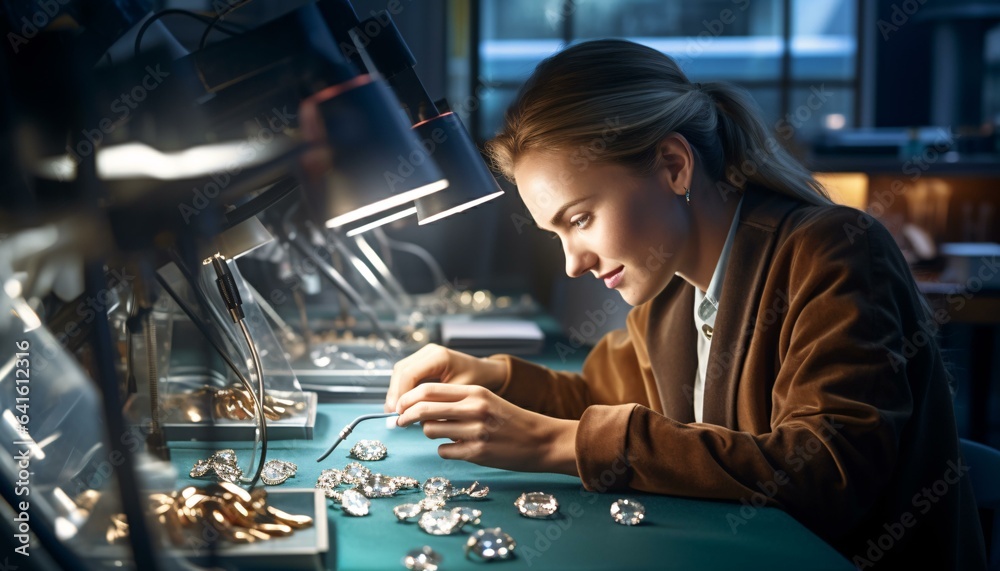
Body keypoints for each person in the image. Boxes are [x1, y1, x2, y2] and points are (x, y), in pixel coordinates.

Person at [384, 39, 986, 569]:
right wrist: (492, 376)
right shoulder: (670, 289)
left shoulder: (832, 251)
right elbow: (599, 396)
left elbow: (829, 470)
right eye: (557, 234)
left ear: (673, 165)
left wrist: (554, 445)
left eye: (582, 218)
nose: (573, 262)